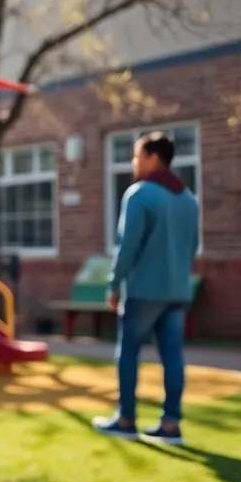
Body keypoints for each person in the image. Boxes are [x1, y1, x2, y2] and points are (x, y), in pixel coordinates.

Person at [93, 132, 200, 446]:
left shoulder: (139, 194)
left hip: (144, 290)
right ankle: (171, 424)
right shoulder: (188, 199)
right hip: (178, 290)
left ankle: (126, 420)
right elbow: (192, 247)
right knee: (173, 356)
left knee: (128, 351)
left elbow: (127, 247)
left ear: (154, 158)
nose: (133, 162)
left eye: (137, 155)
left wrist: (114, 284)